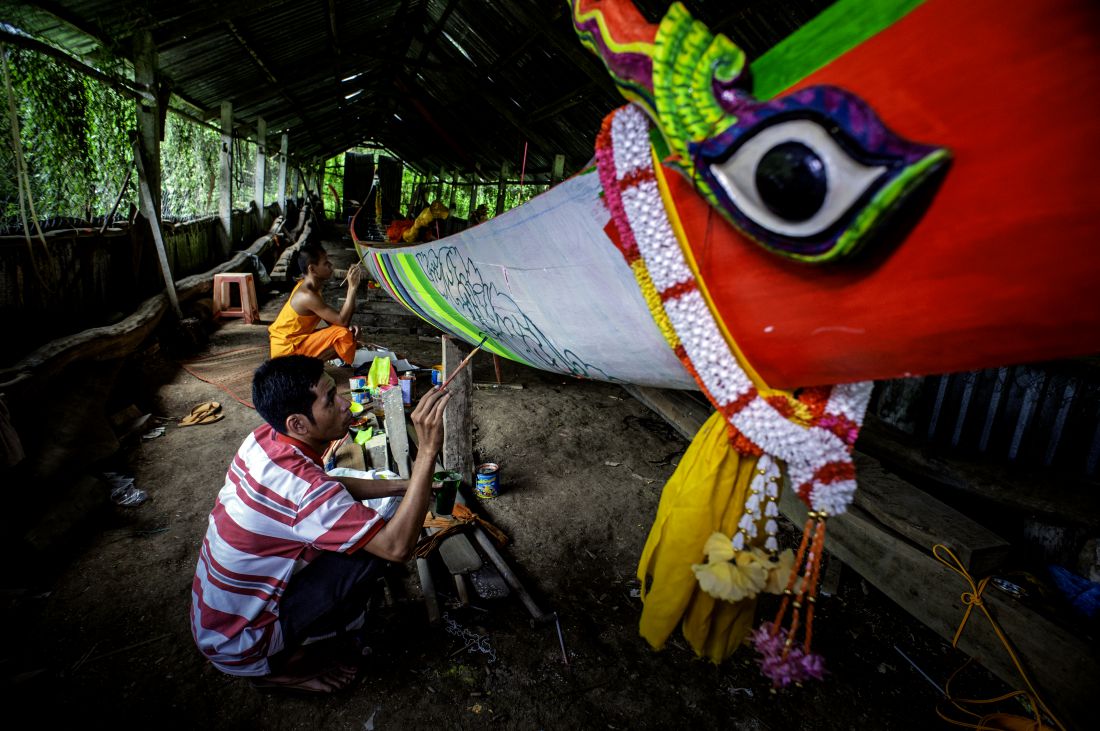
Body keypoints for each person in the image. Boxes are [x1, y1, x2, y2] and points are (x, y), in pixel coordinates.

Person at [190, 355, 452, 692]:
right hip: (243, 643)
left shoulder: (264, 439)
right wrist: (428, 451)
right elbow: (397, 548)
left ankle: (297, 640)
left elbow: (329, 485)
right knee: (372, 551)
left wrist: (407, 485)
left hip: (214, 623)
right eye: (330, 399)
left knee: (362, 523)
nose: (345, 404)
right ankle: (279, 670)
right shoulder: (306, 493)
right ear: (298, 424)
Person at [268, 244, 361, 366]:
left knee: (344, 332)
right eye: (325, 263)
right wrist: (352, 288)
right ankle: (304, 369)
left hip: (292, 343)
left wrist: (345, 328)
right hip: (285, 353)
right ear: (312, 269)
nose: (330, 265)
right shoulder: (307, 296)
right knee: (343, 336)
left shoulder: (312, 287)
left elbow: (335, 321)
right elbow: (343, 321)